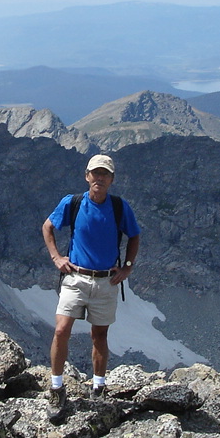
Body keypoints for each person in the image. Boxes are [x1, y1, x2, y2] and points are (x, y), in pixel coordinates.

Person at [41, 154, 141, 418]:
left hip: (106, 280)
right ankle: (56, 388)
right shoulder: (72, 203)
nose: (99, 178)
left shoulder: (119, 207)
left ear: (111, 179)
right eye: (95, 173)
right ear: (87, 176)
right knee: (61, 330)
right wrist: (56, 257)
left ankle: (98, 388)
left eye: (104, 174)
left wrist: (128, 266)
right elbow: (48, 227)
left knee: (99, 335)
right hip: (76, 278)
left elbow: (134, 235)